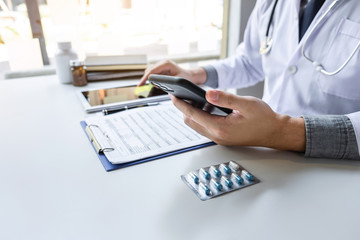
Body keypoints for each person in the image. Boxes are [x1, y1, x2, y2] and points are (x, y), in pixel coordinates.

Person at [138, 0, 360, 160]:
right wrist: (195, 75)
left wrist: (283, 131)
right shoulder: (271, 4)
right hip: (264, 152)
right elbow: (251, 61)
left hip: (334, 164)